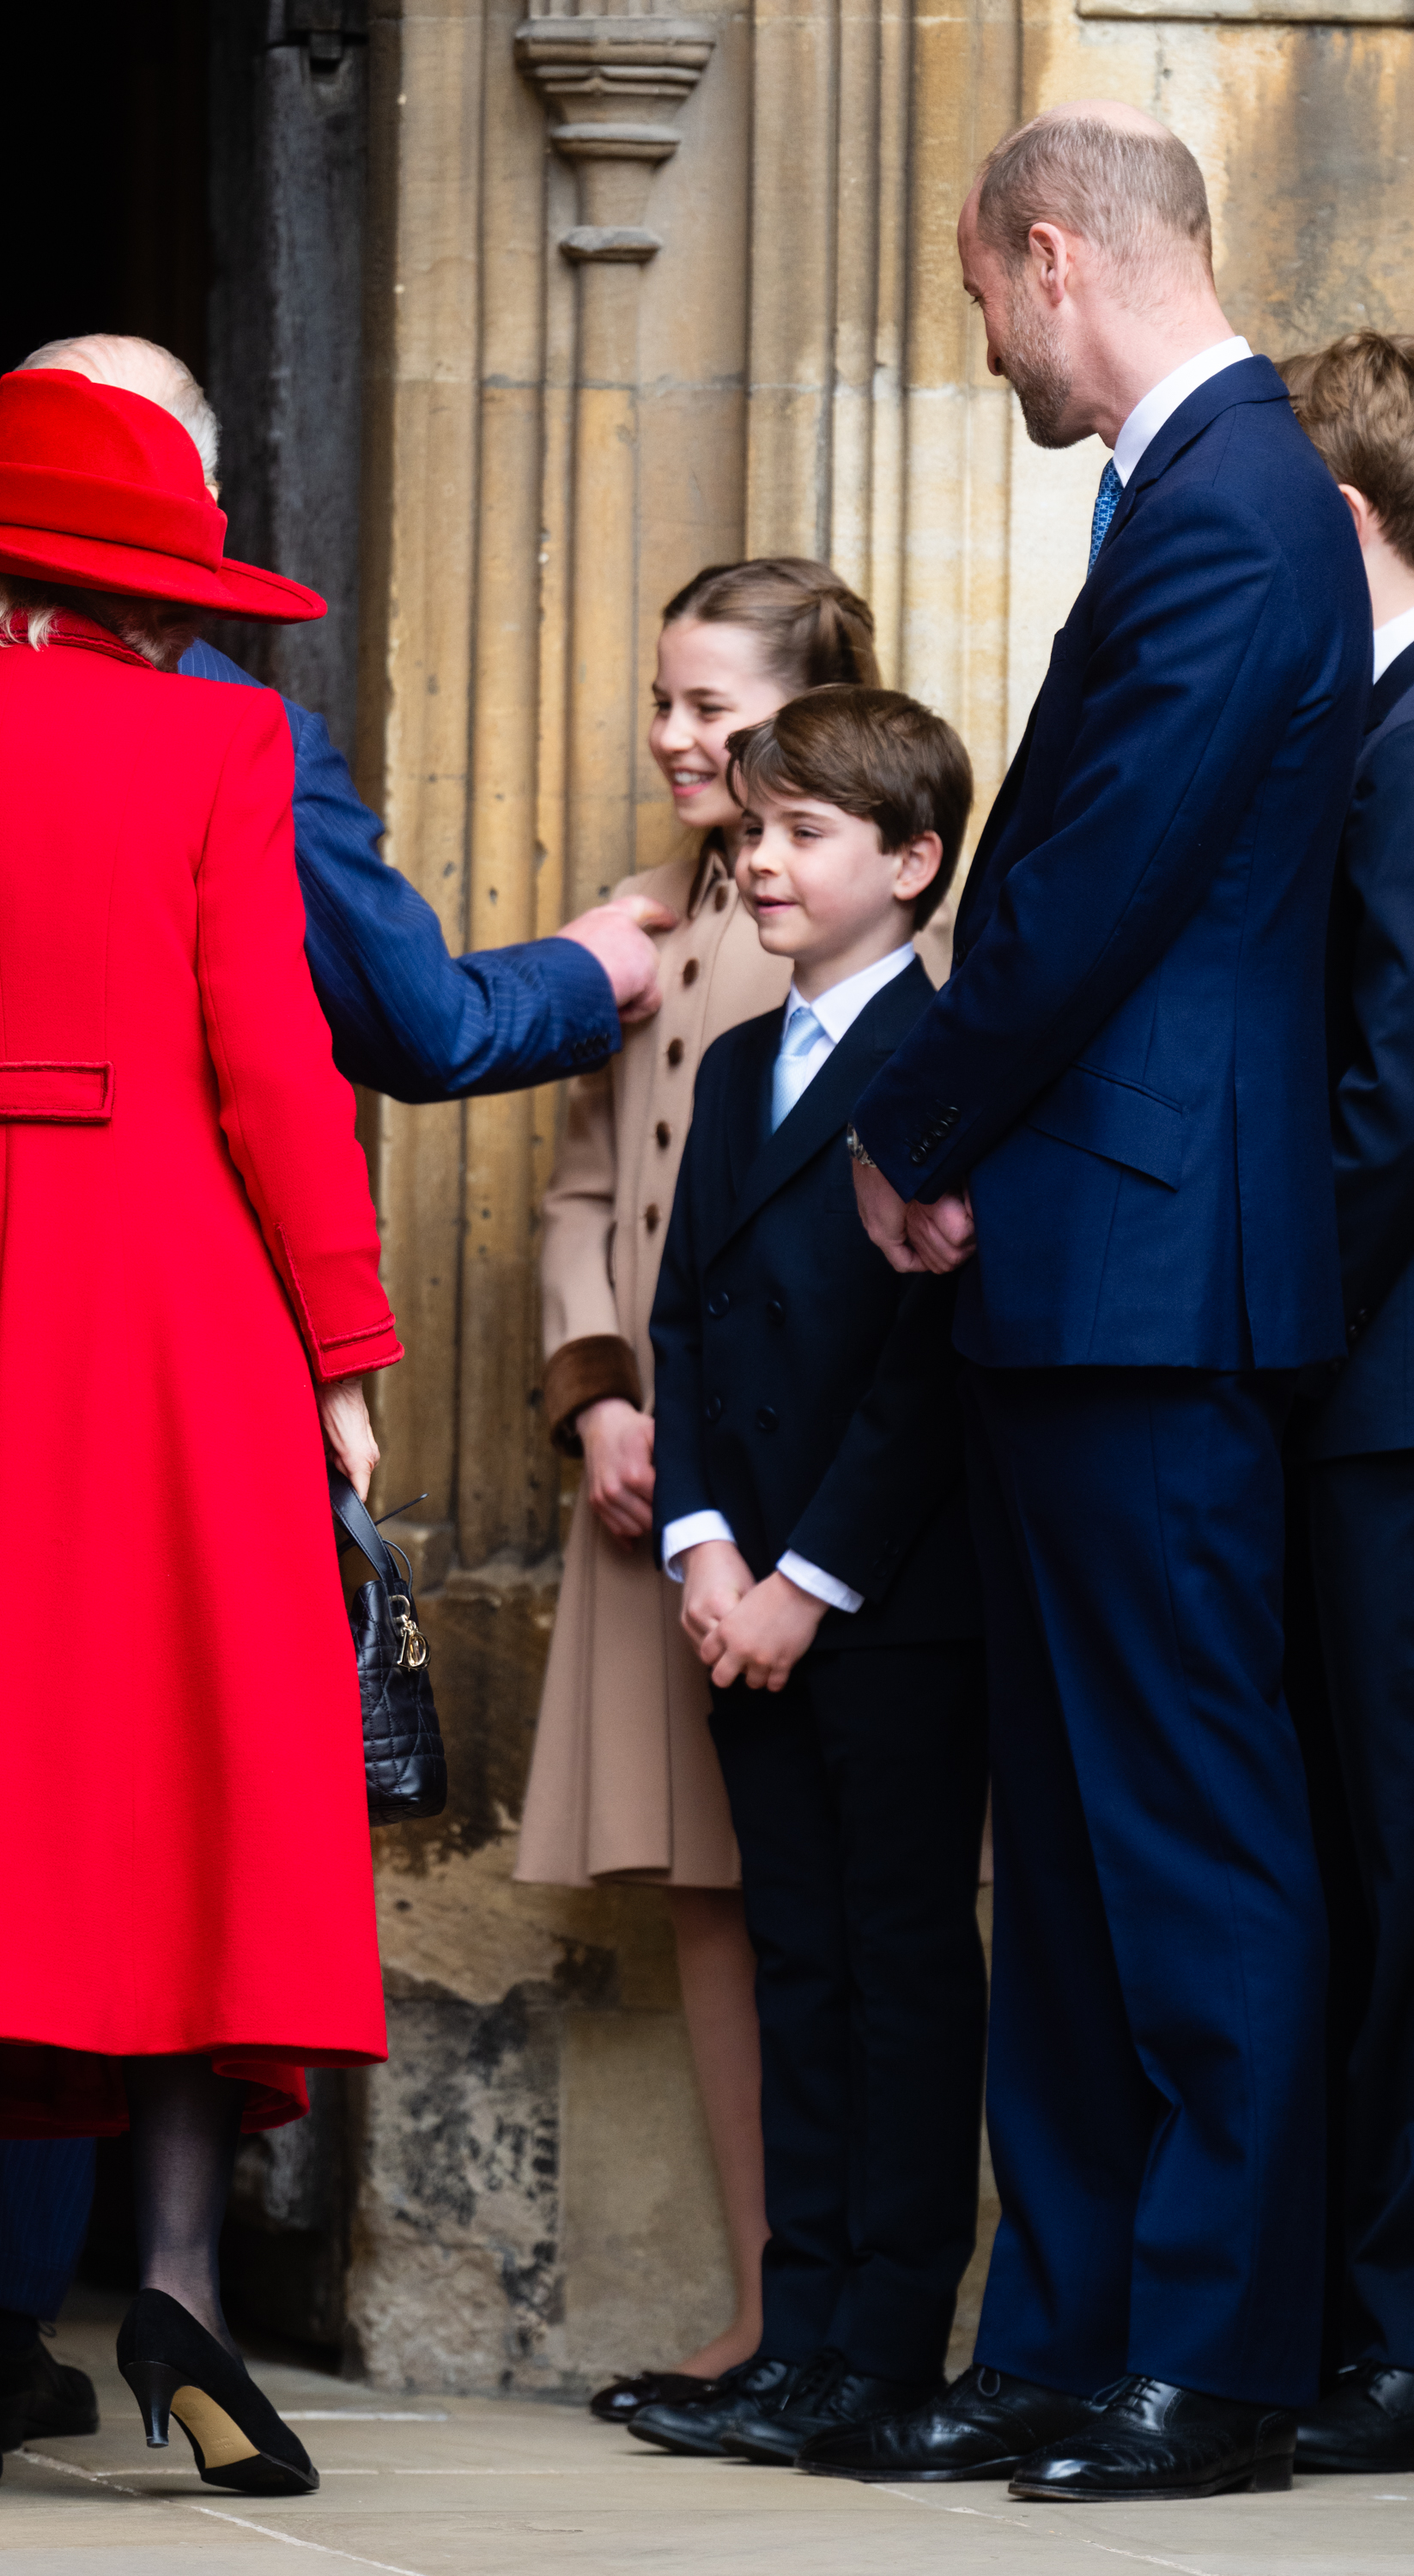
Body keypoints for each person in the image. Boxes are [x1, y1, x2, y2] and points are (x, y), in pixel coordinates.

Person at [0, 334, 664, 2438]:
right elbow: (279, 1076)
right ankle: (187, 2294)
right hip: (176, 1307)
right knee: (185, 1784)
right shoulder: (219, 755)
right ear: (154, 578)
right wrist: (346, 1354)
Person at [810, 104, 1371, 2503]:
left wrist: (904, 1127)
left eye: (977, 297)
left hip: (1155, 1260)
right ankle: (1065, 2329)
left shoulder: (1236, 497)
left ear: (1052, 258)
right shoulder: (1207, 495)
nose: (986, 343)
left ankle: (1220, 2358)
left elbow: (1096, 884)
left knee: (1188, 1828)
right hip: (1087, 1254)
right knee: (1065, 1840)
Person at [517, 560, 879, 2417]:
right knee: (715, 1904)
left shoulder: (859, 934)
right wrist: (596, 1404)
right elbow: (584, 1196)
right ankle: (763, 2308)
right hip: (643, 1493)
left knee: (821, 1892)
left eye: (712, 712)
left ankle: (822, 2313)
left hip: (783, 1502)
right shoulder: (636, 923)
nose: (672, 737)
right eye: (662, 702)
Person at [640, 684, 986, 2471]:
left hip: (883, 1602)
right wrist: (702, 1546)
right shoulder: (732, 1056)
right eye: (754, 828)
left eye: (805, 833)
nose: (761, 858)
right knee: (797, 1957)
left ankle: (888, 2349)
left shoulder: (941, 1060)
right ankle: (801, 2325)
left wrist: (807, 1578)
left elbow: (925, 1364)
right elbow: (685, 1318)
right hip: (736, 1593)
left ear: (913, 864)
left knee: (902, 1963)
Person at [1276, 331, 1414, 2476]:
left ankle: (1391, 2321)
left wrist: (1265, 1314)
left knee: (1394, 1863)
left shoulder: (1402, 739)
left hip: (1381, 1387)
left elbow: (1390, 1096)